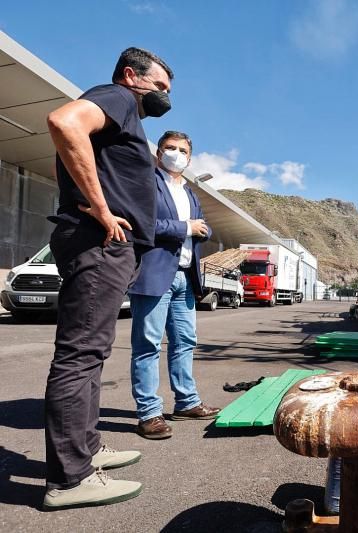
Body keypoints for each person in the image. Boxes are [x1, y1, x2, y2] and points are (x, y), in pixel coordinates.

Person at [43, 47, 173, 510]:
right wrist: (101, 208)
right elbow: (64, 122)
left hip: (109, 248)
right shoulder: (116, 97)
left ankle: (88, 448)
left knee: (92, 354)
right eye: (159, 85)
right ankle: (70, 478)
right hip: (99, 243)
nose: (165, 96)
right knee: (79, 356)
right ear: (131, 75)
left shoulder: (125, 113)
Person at [128, 131, 220, 439]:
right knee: (148, 345)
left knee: (185, 342)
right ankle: (149, 414)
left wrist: (200, 230)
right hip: (154, 276)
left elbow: (202, 226)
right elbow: (141, 225)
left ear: (190, 158)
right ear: (158, 152)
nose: (176, 154)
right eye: (170, 148)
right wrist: (186, 227)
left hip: (184, 276)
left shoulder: (189, 191)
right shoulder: (147, 182)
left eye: (182, 150)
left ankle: (186, 402)